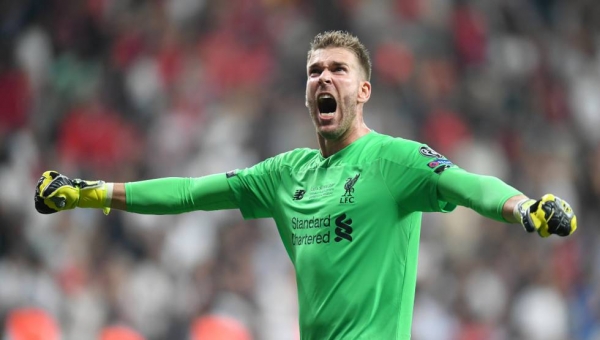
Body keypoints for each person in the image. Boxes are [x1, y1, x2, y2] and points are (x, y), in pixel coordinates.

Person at [34, 31, 577, 339]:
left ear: (363, 90)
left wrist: (522, 207)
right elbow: (190, 193)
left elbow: (466, 184)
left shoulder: (394, 160)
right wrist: (93, 191)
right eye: (315, 70)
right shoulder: (285, 172)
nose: (323, 77)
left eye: (338, 70)